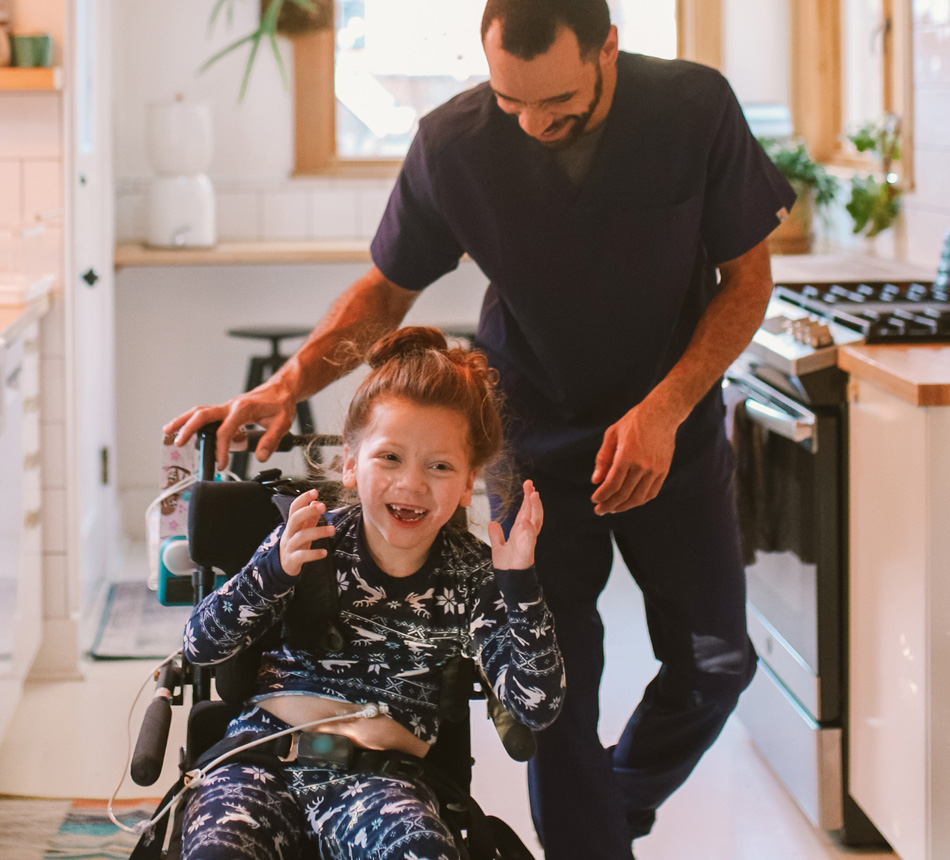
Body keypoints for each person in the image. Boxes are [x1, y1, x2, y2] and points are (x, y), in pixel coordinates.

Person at [166, 1, 796, 857]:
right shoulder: (453, 143)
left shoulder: (693, 108)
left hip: (667, 432)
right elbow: (385, 293)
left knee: (717, 663)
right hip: (530, 444)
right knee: (556, 685)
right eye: (511, 101)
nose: (533, 124)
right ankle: (587, 845)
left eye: (558, 102)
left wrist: (666, 408)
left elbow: (748, 279)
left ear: (608, 46)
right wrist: (291, 382)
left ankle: (607, 812)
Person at [179, 326, 565, 860]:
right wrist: (273, 572)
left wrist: (519, 587)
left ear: (467, 480)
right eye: (390, 458)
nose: (411, 483)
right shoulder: (308, 536)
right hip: (262, 758)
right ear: (351, 464)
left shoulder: (474, 576)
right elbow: (199, 647)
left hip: (383, 781)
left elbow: (537, 705)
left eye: (440, 466)